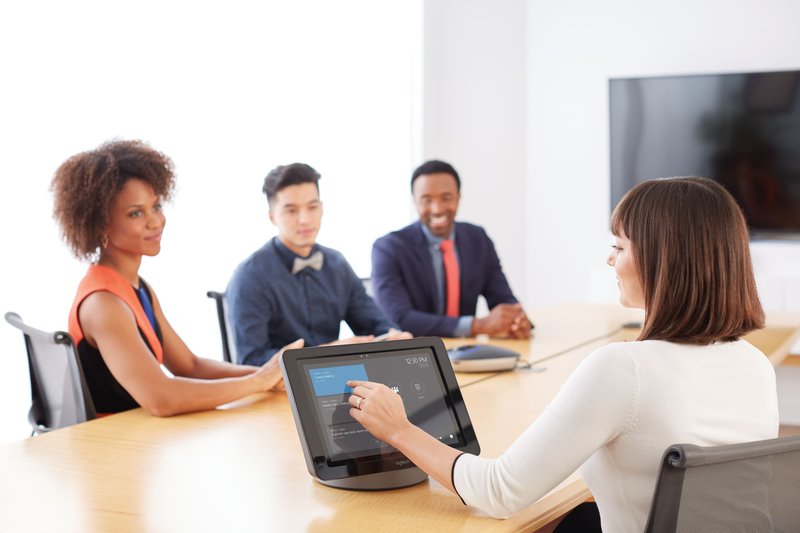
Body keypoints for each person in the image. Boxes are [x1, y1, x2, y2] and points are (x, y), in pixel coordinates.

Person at [347, 177, 778, 532]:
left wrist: (398, 428)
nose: (610, 260)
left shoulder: (623, 370)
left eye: (620, 246)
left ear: (662, 260)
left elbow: (499, 492)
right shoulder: (756, 365)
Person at [52, 140, 303, 417]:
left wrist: (271, 376)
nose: (155, 221)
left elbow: (190, 366)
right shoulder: (103, 303)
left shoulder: (135, 287)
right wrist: (257, 382)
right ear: (99, 224)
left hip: (143, 436)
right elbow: (162, 399)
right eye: (136, 213)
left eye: (156, 206)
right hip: (114, 447)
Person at [226, 163, 410, 367]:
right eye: (291, 210)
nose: (304, 220)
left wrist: (393, 337)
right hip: (279, 391)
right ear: (272, 217)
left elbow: (375, 324)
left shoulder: (337, 264)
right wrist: (324, 354)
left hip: (336, 381)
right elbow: (251, 360)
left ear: (322, 208)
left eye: (312, 207)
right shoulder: (250, 276)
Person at [371, 160, 532, 338]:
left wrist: (516, 321)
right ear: (414, 202)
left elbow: (503, 299)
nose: (437, 209)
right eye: (427, 200)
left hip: (465, 352)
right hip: (417, 352)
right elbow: (400, 318)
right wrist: (476, 326)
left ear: (458, 197)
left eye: (446, 198)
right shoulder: (388, 248)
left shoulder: (478, 239)